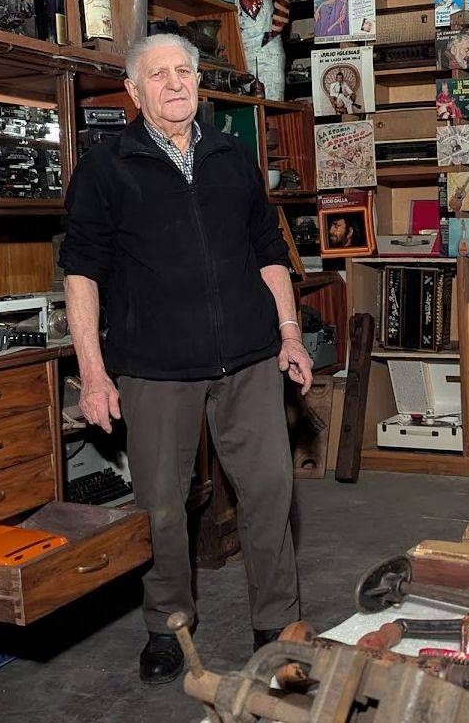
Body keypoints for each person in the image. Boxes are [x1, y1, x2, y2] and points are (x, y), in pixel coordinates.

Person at [59, 34, 311, 684]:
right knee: (163, 506)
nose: (174, 83)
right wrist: (93, 372)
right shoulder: (106, 167)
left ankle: (276, 623)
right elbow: (81, 274)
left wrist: (289, 334)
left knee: (270, 490)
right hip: (155, 365)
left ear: (198, 81)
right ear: (134, 91)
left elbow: (269, 252)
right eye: (158, 75)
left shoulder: (232, 156)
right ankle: (167, 624)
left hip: (249, 356)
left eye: (184, 71)